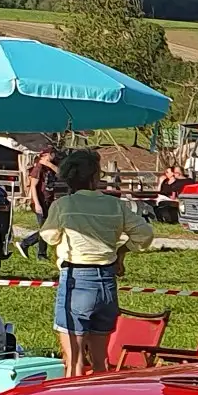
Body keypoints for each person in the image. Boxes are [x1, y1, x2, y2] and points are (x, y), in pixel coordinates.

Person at [40, 150, 154, 377]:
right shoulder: (114, 205)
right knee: (101, 363)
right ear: (94, 178)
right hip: (107, 282)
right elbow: (145, 234)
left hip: (76, 279)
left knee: (74, 363)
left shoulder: (64, 205)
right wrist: (122, 251)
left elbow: (49, 236)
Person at [16, 146, 63, 259]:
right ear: (44, 155)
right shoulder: (38, 168)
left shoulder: (51, 166)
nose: (53, 156)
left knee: (48, 227)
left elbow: (61, 174)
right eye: (51, 154)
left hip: (49, 200)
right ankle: (26, 244)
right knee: (45, 228)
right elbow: (33, 187)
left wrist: (50, 165)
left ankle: (41, 253)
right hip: (40, 201)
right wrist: (37, 204)